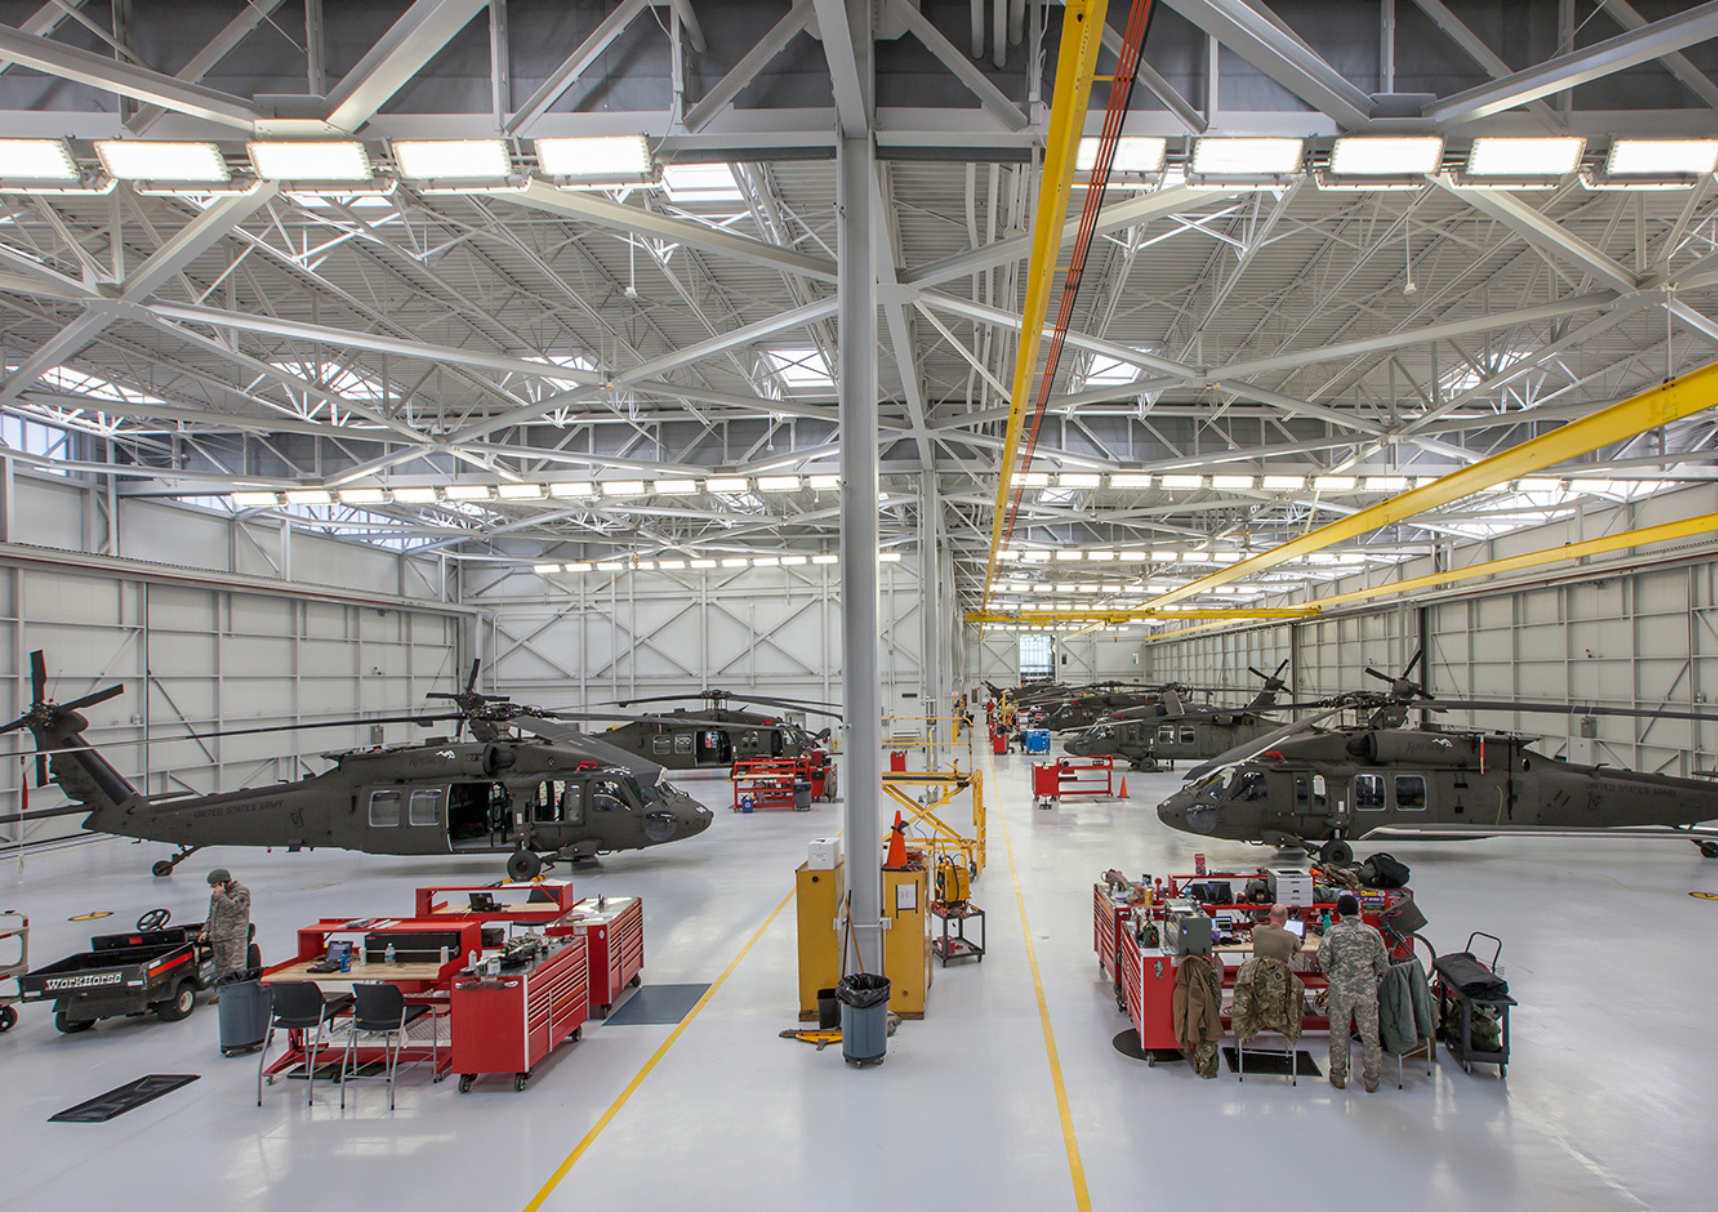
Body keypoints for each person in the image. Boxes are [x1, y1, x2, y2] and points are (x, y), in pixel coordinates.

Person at [1317, 893, 1390, 1092]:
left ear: (1338, 912)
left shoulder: (1332, 933)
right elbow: (1383, 963)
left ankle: (1338, 1076)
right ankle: (1372, 1080)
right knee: (1370, 1036)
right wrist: (1366, 975)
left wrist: (1335, 974)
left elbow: (1323, 961)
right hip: (1366, 990)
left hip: (1340, 990)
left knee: (1339, 1034)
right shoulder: (1372, 932)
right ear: (1358, 911)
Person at [201, 868, 252, 988]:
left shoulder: (241, 892)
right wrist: (206, 930)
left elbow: (235, 909)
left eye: (215, 885)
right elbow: (212, 913)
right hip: (218, 937)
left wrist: (221, 896)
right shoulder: (216, 895)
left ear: (222, 883)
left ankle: (238, 993)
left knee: (235, 968)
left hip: (234, 937)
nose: (213, 889)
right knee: (221, 969)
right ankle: (224, 993)